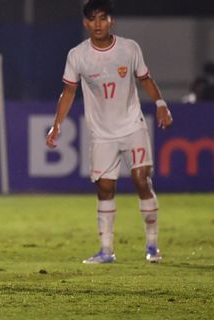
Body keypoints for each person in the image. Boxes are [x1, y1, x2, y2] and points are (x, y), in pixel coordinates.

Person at [46, 0, 173, 264]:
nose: (98, 24)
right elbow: (69, 92)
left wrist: (161, 104)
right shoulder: (78, 55)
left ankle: (152, 246)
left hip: (132, 126)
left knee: (141, 179)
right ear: (85, 23)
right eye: (92, 19)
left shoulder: (128, 48)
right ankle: (106, 250)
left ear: (111, 20)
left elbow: (145, 80)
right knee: (105, 188)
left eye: (103, 18)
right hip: (102, 133)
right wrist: (57, 124)